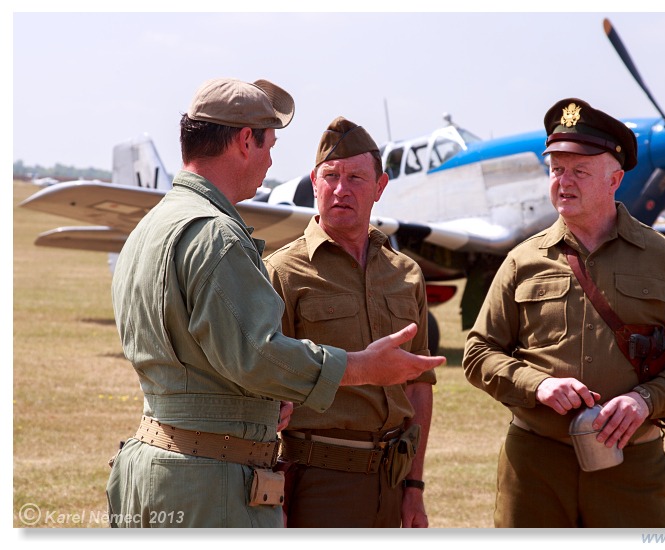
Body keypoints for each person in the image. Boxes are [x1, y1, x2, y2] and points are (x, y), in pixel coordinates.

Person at [107, 78, 443, 528]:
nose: (271, 160)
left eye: (357, 178)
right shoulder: (217, 236)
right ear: (246, 140)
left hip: (158, 465)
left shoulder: (152, 226)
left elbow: (204, 361)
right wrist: (364, 367)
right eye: (270, 144)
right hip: (209, 484)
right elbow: (258, 356)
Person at [462, 97, 665, 528]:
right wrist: (538, 385)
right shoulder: (521, 260)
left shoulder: (663, 258)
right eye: (556, 170)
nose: (563, 182)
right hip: (535, 467)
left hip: (632, 466)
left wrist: (646, 400)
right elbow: (478, 354)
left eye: (579, 171)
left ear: (615, 179)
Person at [265, 117, 434, 528]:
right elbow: (263, 390)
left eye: (356, 177)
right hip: (315, 480)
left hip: (392, 481)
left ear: (380, 187)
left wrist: (414, 489)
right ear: (314, 181)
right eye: (331, 176)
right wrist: (272, 492)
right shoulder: (281, 272)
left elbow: (418, 387)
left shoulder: (406, 273)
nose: (341, 189)